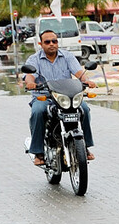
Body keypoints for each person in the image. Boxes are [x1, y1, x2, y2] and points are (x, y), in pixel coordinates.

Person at [23, 29, 96, 166]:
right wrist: (31, 83)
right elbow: (29, 75)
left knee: (84, 109)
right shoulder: (34, 59)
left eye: (54, 41)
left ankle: (84, 147)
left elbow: (79, 73)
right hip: (44, 97)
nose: (51, 44)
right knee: (38, 112)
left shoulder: (67, 56)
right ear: (41, 44)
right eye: (47, 42)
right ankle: (38, 151)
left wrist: (87, 81)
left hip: (66, 97)